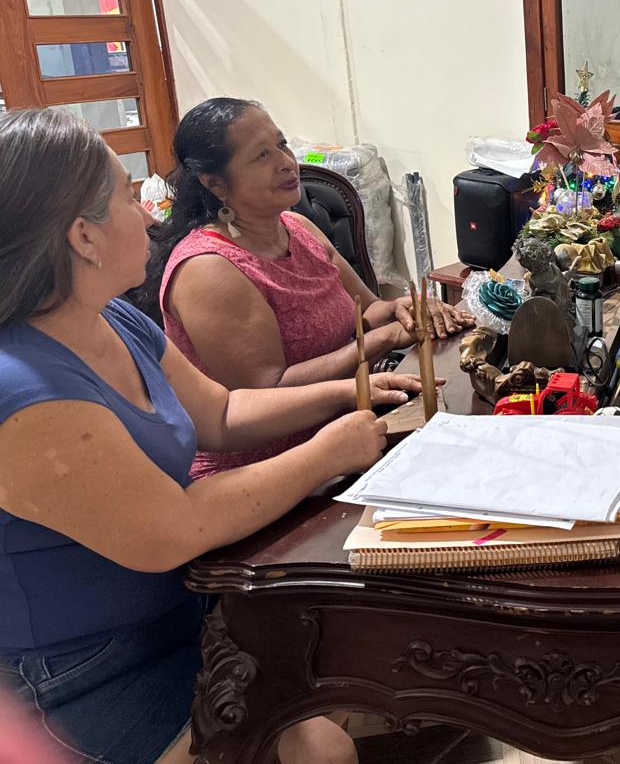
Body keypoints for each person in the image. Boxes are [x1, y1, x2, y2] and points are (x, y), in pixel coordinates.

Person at [0, 109, 421, 763]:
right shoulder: (23, 388)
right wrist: (327, 452)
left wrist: (350, 394)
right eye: (128, 197)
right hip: (85, 671)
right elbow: (175, 526)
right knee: (318, 744)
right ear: (83, 237)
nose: (149, 216)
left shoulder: (112, 319)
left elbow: (220, 413)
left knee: (336, 705)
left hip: (185, 606)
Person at [133, 97, 473, 479]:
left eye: (281, 144)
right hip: (268, 472)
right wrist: (383, 339)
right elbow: (268, 390)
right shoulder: (208, 268)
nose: (285, 162)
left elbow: (366, 310)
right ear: (215, 184)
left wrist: (404, 307)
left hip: (346, 435)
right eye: (261, 155)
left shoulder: (297, 227)